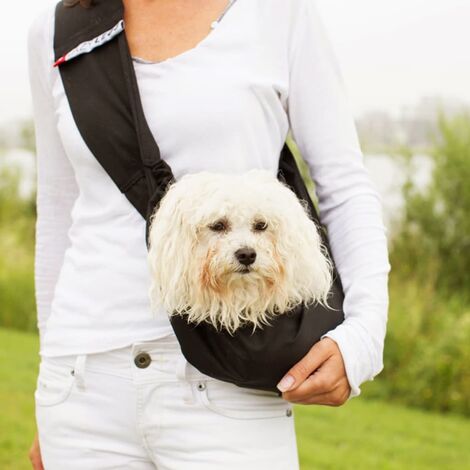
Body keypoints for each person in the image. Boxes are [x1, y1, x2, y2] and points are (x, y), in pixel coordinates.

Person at [27, 0, 391, 468]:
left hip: (231, 368)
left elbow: (344, 185)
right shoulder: (58, 28)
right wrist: (52, 376)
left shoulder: (279, 13)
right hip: (83, 383)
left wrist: (362, 339)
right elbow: (58, 209)